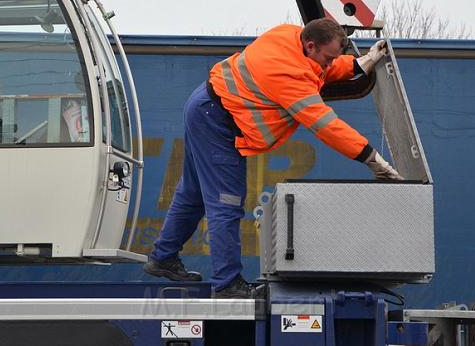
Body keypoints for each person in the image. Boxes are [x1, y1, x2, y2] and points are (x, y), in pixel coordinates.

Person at [143, 18, 402, 298]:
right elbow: (326, 125)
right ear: (311, 45)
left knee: (193, 192)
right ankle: (227, 284)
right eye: (328, 58)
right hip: (217, 120)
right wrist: (372, 158)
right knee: (226, 202)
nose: (329, 65)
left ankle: (163, 257)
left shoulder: (290, 36)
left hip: (207, 106)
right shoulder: (289, 76)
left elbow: (319, 69)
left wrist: (357, 63)